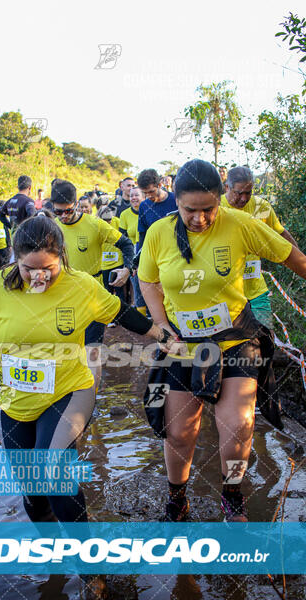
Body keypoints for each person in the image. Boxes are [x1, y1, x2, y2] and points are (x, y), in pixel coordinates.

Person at [0, 215, 172, 529]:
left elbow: (122, 312)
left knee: (54, 472)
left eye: (48, 269)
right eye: (28, 270)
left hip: (68, 391)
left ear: (61, 255)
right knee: (33, 493)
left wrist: (162, 335)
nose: (38, 277)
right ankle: (52, 559)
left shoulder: (81, 286)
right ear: (15, 260)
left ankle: (89, 565)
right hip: (14, 401)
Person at [138, 159, 306, 522]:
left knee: (238, 427)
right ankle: (176, 500)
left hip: (235, 341)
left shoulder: (241, 225)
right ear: (177, 203)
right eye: (189, 211)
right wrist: (161, 324)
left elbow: (294, 258)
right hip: (183, 347)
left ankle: (232, 495)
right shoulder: (158, 234)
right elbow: (148, 281)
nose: (199, 219)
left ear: (220, 200)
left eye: (208, 210)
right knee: (181, 433)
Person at [51, 179, 134, 388]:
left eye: (67, 211)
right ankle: (67, 392)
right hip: (62, 295)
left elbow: (126, 244)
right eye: (57, 212)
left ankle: (90, 399)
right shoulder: (52, 228)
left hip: (92, 295)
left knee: (92, 350)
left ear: (76, 204)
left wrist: (127, 269)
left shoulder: (94, 224)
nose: (63, 217)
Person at [221, 166, 298, 328]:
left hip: (256, 288)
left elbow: (280, 233)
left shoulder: (260, 207)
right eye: (238, 193)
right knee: (234, 342)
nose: (243, 199)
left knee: (265, 336)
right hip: (226, 293)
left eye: (248, 193)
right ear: (227, 187)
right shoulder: (216, 208)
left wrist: (299, 260)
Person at [120, 187, 146, 315]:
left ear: (143, 197)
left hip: (147, 249)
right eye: (131, 196)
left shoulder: (148, 210)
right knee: (136, 283)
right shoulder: (124, 214)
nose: (133, 198)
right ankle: (141, 314)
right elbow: (122, 238)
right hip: (132, 251)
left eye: (136, 195)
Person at [97, 204, 127, 310]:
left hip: (117, 261)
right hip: (104, 264)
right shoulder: (95, 224)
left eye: (110, 219)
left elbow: (125, 238)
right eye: (105, 220)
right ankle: (111, 316)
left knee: (119, 289)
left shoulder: (117, 221)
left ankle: (122, 314)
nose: (108, 222)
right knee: (107, 290)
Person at [137, 169, 177, 248]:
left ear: (159, 185)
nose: (149, 196)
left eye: (151, 191)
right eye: (145, 193)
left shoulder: (177, 200)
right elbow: (142, 234)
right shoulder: (144, 206)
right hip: (155, 250)